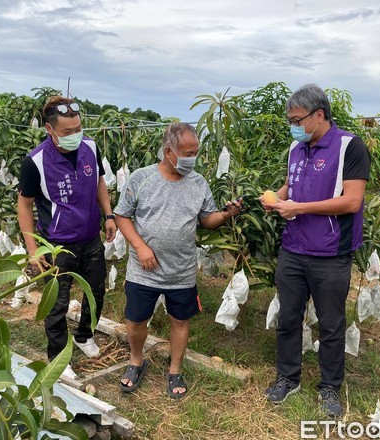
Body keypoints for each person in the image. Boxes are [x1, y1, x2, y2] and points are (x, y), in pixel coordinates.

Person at [260, 84, 370, 417]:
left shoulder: (350, 147)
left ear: (318, 116)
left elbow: (352, 201)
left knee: (332, 323)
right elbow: (291, 185)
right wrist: (277, 200)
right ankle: (287, 377)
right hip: (294, 249)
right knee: (289, 317)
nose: (292, 125)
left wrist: (300, 208)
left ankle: (329, 388)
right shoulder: (298, 146)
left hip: (330, 253)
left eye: (296, 119)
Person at [113, 122, 242, 398]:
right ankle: (136, 361)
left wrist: (226, 215)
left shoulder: (198, 182)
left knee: (180, 321)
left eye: (195, 152)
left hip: (181, 270)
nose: (192, 159)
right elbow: (122, 215)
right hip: (143, 269)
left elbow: (207, 220)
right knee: (136, 320)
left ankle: (175, 370)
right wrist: (140, 247)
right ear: (169, 151)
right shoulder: (142, 178)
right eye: (187, 153)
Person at [17, 96, 116, 379]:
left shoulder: (91, 148)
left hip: (90, 238)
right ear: (50, 130)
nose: (75, 136)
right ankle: (59, 357)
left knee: (96, 291)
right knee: (57, 303)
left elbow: (98, 180)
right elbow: (24, 205)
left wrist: (108, 215)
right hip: (57, 244)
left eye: (78, 129)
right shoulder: (35, 162)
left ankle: (85, 335)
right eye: (67, 132)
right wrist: (33, 249)